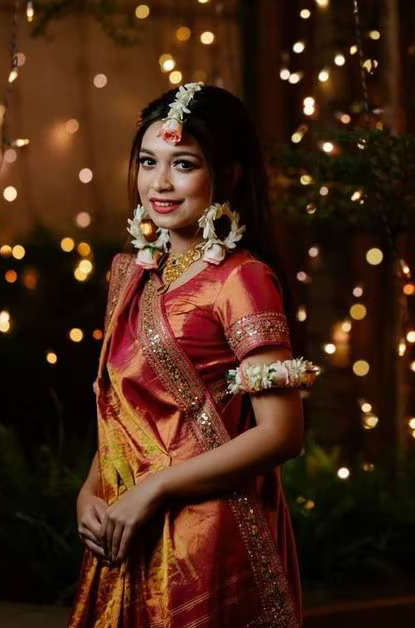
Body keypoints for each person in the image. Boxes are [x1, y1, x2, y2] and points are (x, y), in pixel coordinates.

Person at [69, 83, 316, 628]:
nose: (159, 183)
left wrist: (154, 488)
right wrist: (91, 493)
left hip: (207, 537)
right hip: (128, 528)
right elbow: (124, 411)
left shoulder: (241, 281)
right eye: (147, 162)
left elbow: (281, 433)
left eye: (183, 164)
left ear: (227, 176)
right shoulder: (131, 275)